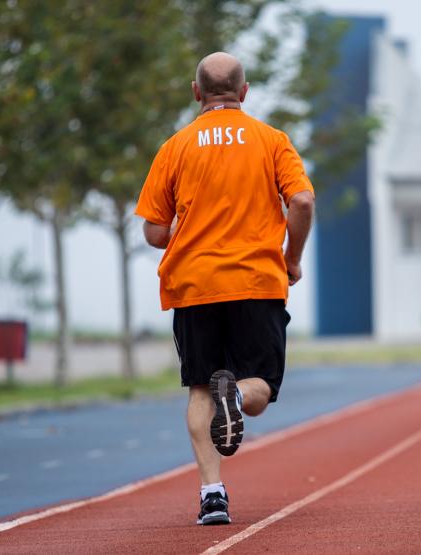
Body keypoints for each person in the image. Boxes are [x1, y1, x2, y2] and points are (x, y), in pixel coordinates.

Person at [135, 52, 315, 525]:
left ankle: (212, 495)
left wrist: (186, 231)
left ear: (196, 92)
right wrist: (292, 258)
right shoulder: (271, 140)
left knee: (200, 388)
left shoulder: (175, 147)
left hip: (195, 285)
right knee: (261, 387)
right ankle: (234, 398)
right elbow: (301, 200)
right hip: (257, 282)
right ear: (244, 91)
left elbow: (154, 230)